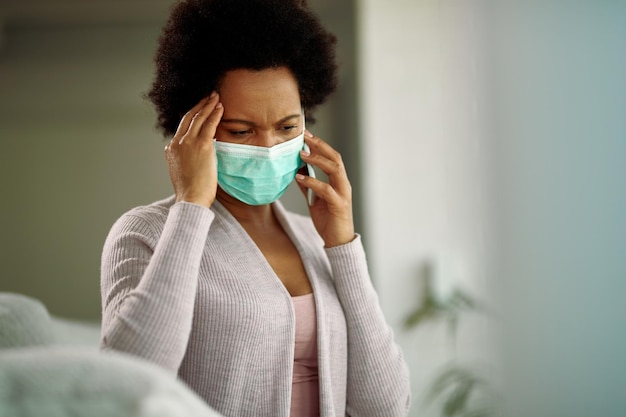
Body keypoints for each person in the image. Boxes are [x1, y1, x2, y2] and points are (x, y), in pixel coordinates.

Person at [100, 0, 411, 416]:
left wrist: (342, 246)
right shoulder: (146, 232)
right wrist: (191, 206)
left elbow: (386, 408)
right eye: (242, 131)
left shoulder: (312, 237)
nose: (268, 147)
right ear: (192, 129)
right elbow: (127, 385)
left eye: (286, 127)